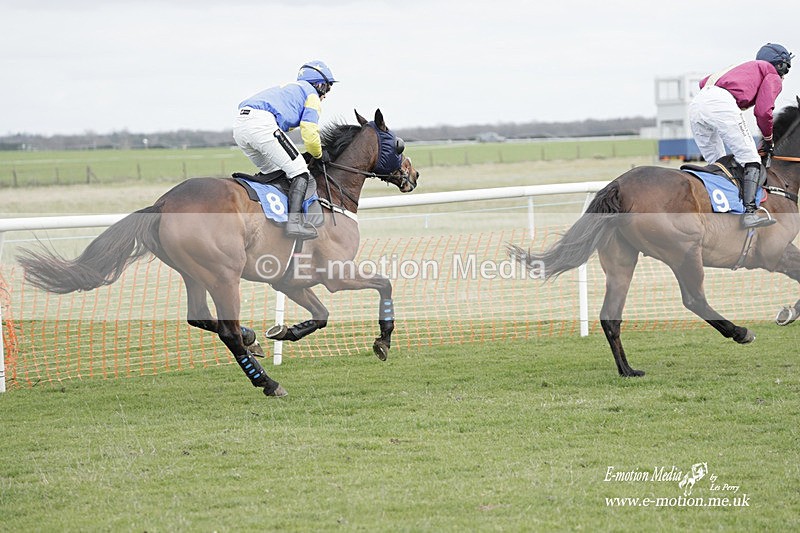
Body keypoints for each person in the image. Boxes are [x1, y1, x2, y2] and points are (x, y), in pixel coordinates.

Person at [689, 43, 793, 228]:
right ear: (780, 65)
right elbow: (763, 112)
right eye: (786, 68)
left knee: (719, 162)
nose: (784, 75)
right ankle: (750, 213)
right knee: (751, 159)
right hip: (720, 103)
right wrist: (768, 139)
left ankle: (720, 208)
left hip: (697, 105)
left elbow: (703, 82)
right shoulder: (771, 74)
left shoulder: (744, 68)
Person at [233, 60, 337, 239]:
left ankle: (270, 218)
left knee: (277, 173)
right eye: (327, 88)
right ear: (318, 85)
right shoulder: (311, 95)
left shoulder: (293, 90)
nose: (326, 95)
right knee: (300, 173)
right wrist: (319, 154)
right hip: (262, 124)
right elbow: (310, 134)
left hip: (240, 126)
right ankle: (294, 224)